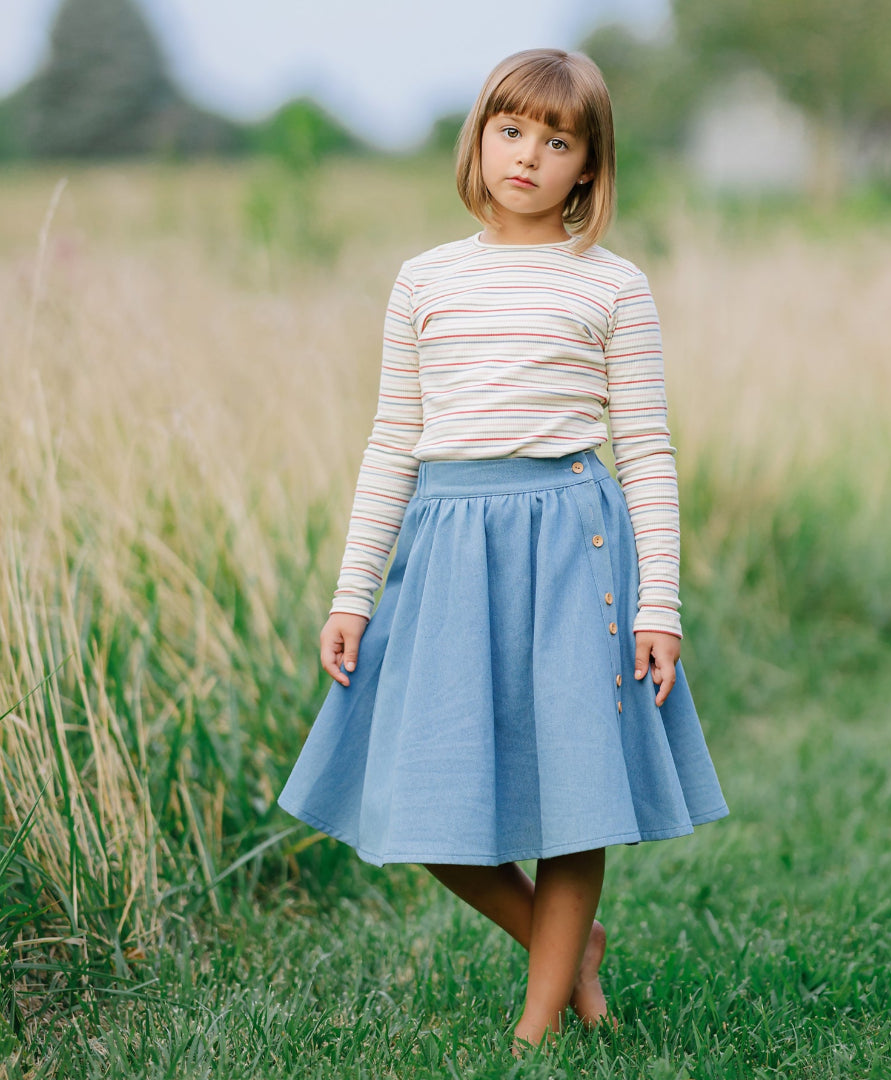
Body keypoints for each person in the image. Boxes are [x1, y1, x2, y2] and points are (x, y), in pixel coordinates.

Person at [277, 47, 728, 1050]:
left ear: (588, 166)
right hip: (446, 551)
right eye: (511, 129)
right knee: (420, 791)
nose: (529, 155)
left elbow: (646, 452)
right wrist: (354, 593)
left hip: (573, 543)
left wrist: (661, 605)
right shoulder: (425, 280)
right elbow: (393, 440)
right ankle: (567, 948)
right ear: (479, 138)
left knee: (575, 793)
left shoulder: (611, 286)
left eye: (557, 140)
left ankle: (538, 1029)